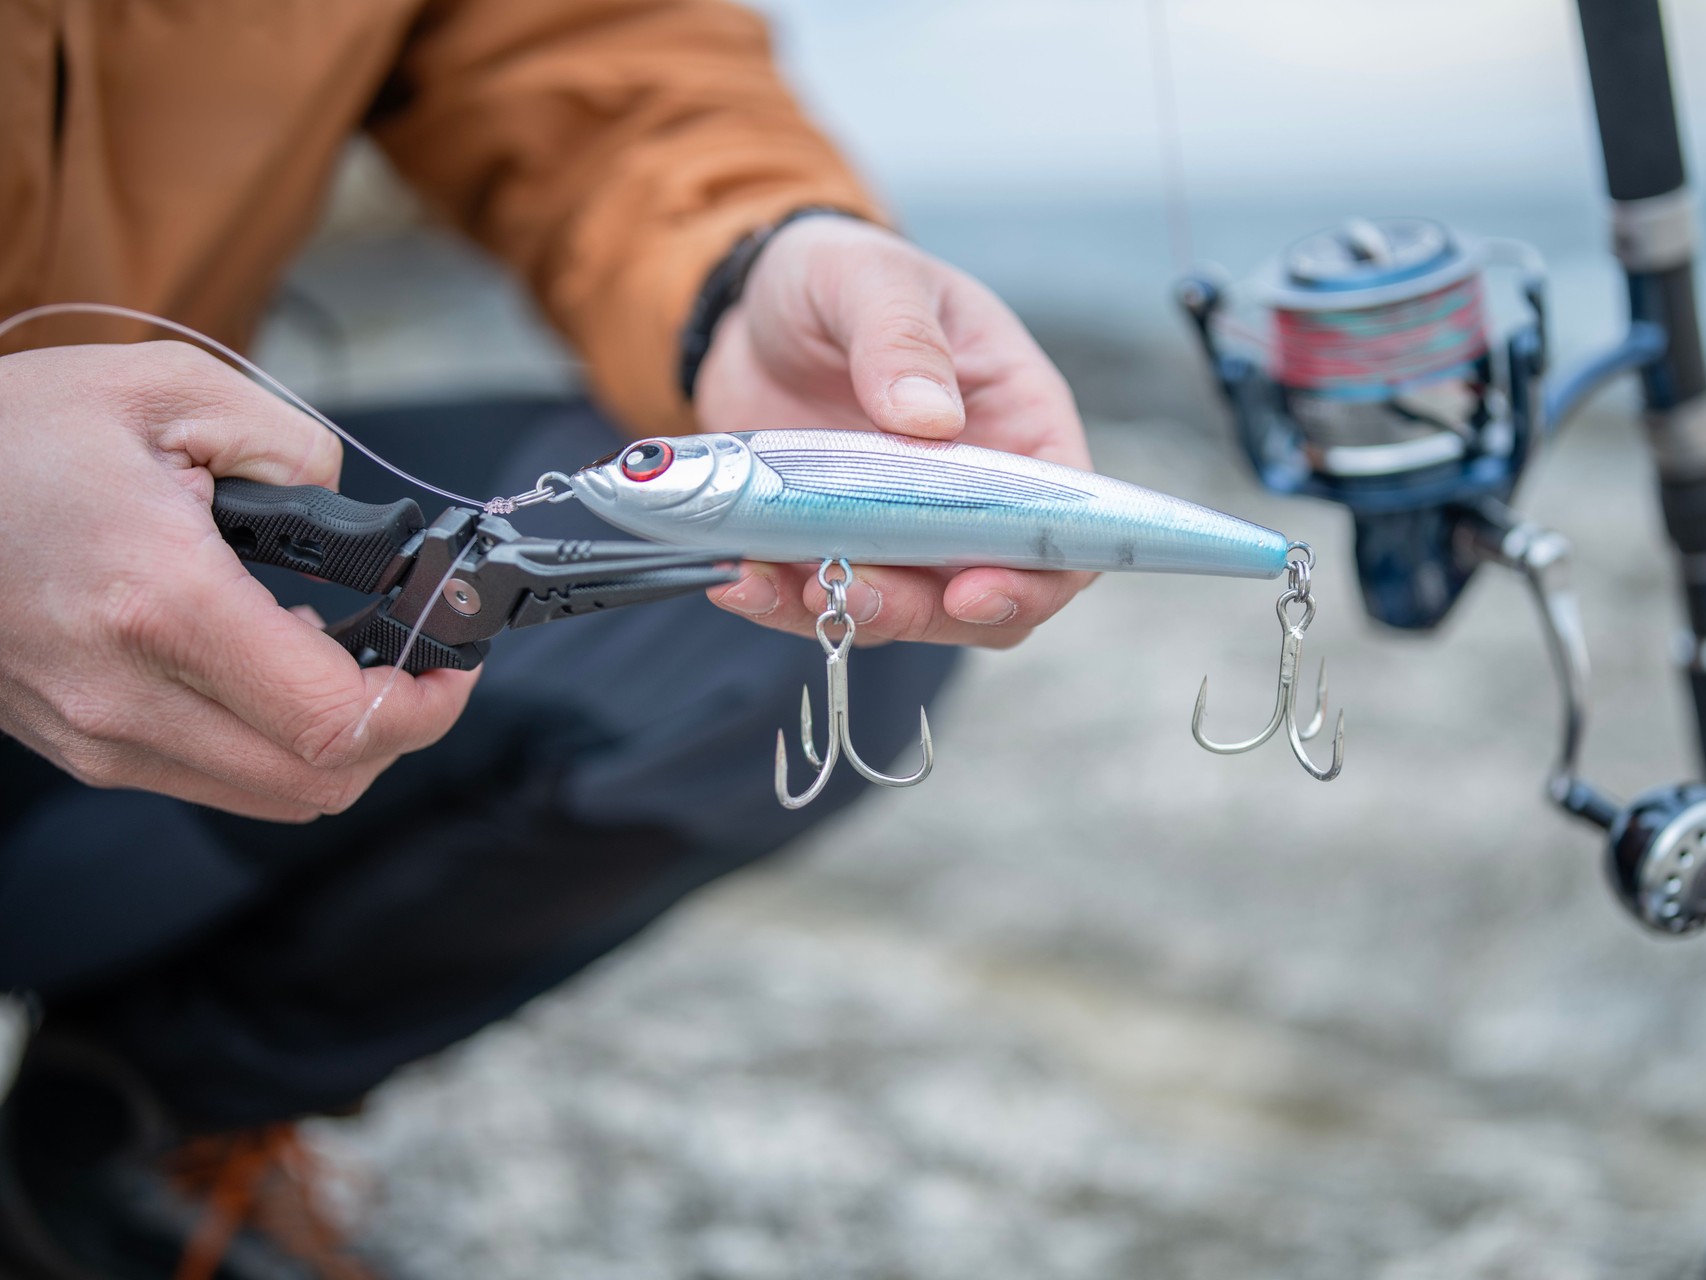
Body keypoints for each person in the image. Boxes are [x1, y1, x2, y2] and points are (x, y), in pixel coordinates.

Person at [0, 3, 1095, 1276]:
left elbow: (568, 43)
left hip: (116, 552)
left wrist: (740, 267)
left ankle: (119, 1128)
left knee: (813, 606)